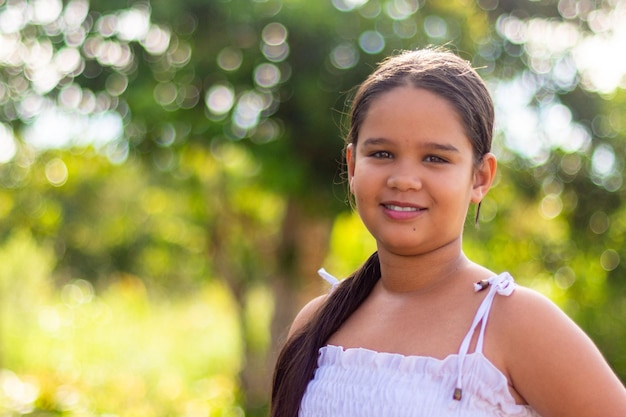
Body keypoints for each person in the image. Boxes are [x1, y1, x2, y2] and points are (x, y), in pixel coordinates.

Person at [270, 48, 626, 417]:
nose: (404, 180)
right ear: (353, 164)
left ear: (480, 177)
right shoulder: (317, 323)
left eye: (435, 159)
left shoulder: (515, 322)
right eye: (381, 153)